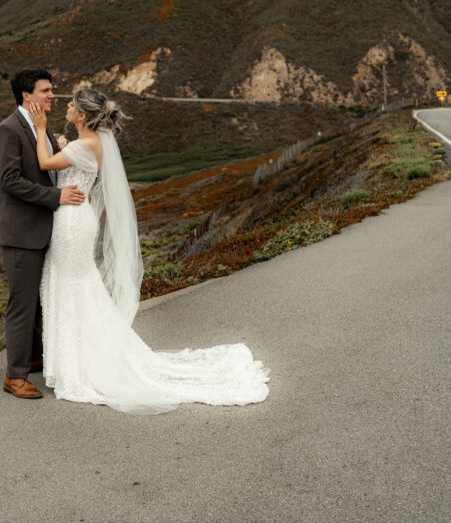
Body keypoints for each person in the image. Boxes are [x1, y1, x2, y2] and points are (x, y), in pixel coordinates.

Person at [27, 87, 269, 414]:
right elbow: (72, 163)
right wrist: (65, 147)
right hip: (75, 218)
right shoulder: (89, 143)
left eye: (71, 104)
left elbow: (44, 162)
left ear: (81, 116)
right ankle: (75, 359)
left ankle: (76, 365)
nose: (66, 106)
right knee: (77, 286)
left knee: (71, 286)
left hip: (71, 223)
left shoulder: (86, 144)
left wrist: (41, 129)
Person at [0, 69, 85, 399]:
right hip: (21, 233)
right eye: (45, 91)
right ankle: (14, 377)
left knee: (39, 303)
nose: (52, 96)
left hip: (46, 230)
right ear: (26, 96)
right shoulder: (8, 129)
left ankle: (33, 358)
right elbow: (10, 181)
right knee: (21, 305)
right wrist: (56, 197)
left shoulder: (42, 129)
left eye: (51, 90)